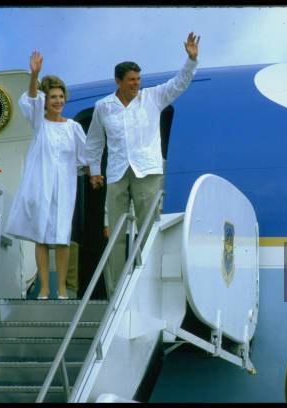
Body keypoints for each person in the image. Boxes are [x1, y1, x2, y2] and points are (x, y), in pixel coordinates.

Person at [85, 32, 200, 297]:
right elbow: (94, 142)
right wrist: (94, 171)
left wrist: (190, 60)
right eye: (131, 80)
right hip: (116, 173)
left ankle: (147, 288)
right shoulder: (103, 106)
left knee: (148, 230)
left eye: (139, 79)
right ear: (118, 81)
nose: (137, 84)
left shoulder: (153, 97)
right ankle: (115, 291)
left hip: (147, 171)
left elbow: (179, 84)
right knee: (114, 234)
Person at [5, 51, 87, 300]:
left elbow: (86, 156)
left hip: (64, 186)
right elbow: (30, 98)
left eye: (61, 97)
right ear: (46, 100)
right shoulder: (39, 123)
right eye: (53, 97)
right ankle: (43, 287)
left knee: (62, 237)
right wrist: (34, 75)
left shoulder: (73, 127)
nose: (58, 101)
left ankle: (61, 288)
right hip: (41, 185)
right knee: (41, 236)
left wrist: (94, 173)